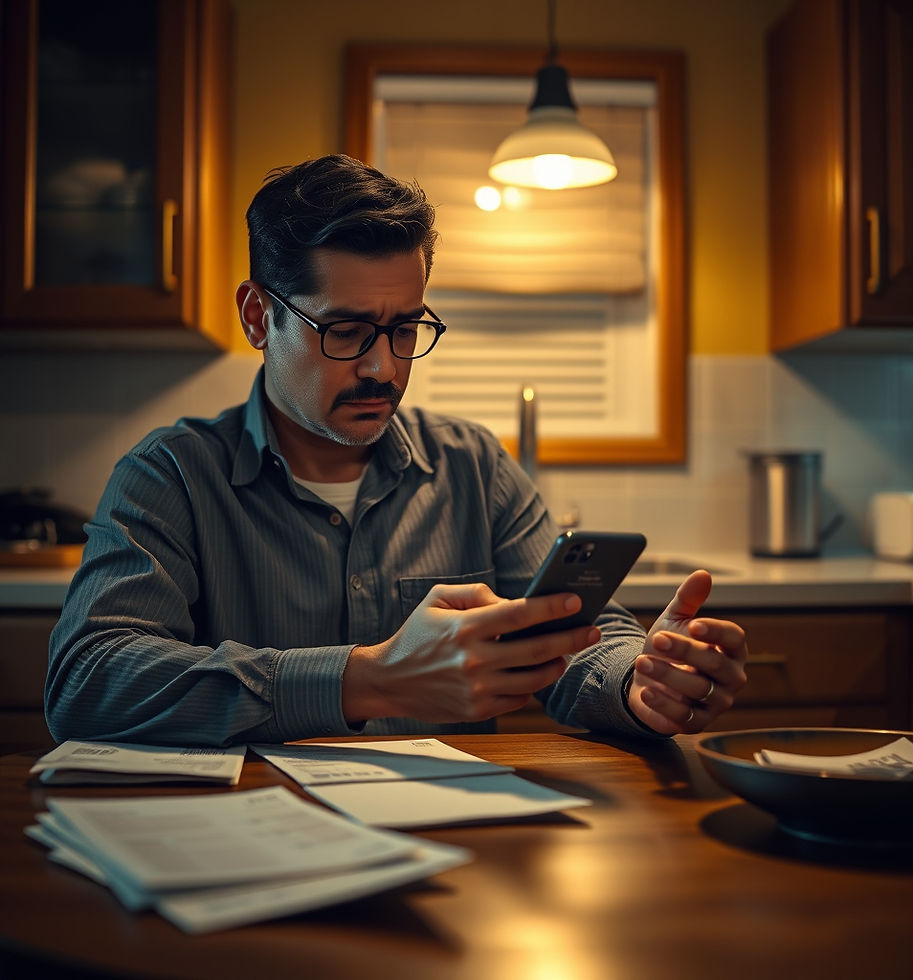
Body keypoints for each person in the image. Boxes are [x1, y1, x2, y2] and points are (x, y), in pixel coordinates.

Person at [45, 154, 748, 747]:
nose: (384, 367)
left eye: (405, 328)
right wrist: (368, 677)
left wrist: (640, 683)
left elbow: (579, 637)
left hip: (460, 860)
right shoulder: (169, 475)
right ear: (259, 316)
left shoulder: (472, 465)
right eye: (347, 330)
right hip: (255, 844)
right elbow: (87, 681)